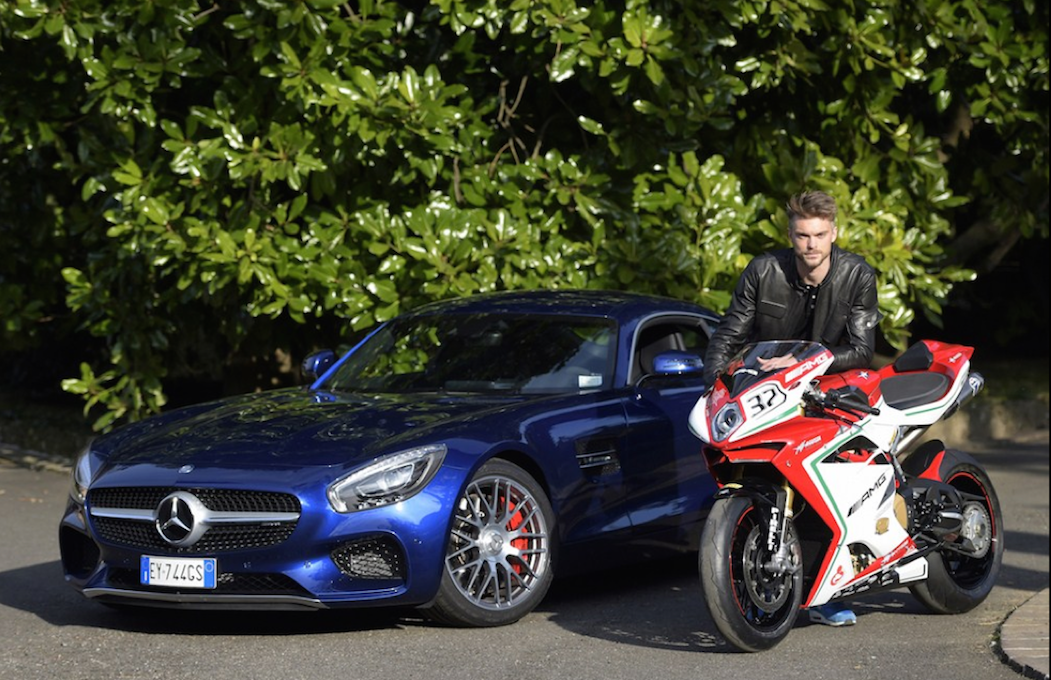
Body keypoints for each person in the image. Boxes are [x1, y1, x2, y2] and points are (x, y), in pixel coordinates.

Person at [702, 189, 880, 627]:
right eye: (802, 235)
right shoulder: (764, 271)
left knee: (830, 479)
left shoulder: (857, 274)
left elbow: (861, 350)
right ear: (790, 235)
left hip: (833, 386)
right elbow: (729, 334)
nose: (811, 245)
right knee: (758, 468)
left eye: (819, 235)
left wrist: (806, 362)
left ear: (833, 233)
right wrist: (713, 387)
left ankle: (831, 588)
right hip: (771, 389)